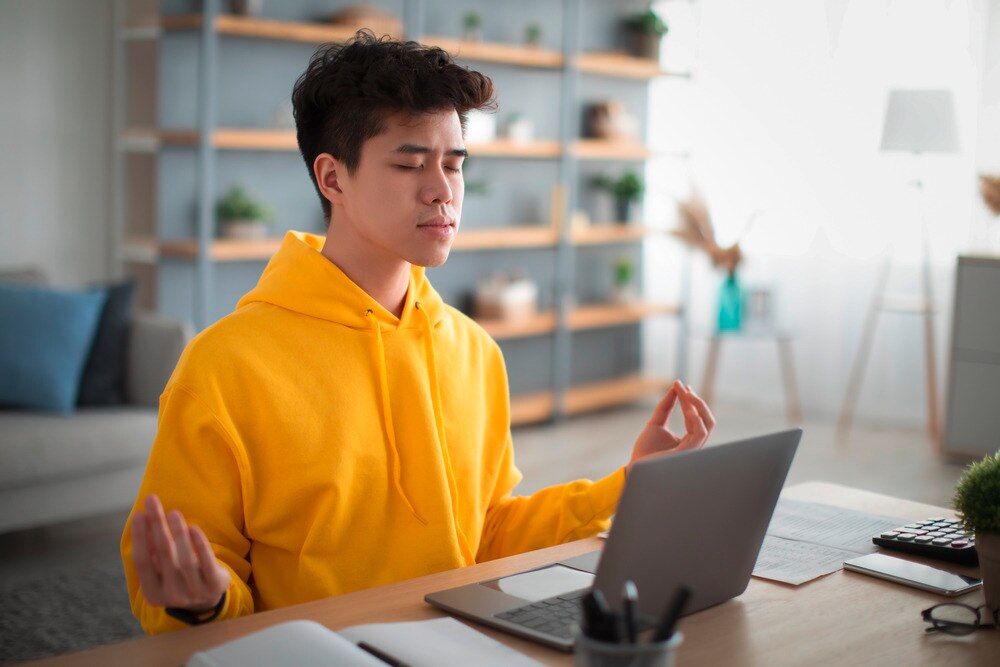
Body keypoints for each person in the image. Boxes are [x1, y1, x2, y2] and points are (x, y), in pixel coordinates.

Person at [121, 32, 715, 634]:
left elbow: (484, 534)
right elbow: (179, 587)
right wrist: (203, 599)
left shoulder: (473, 350)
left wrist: (626, 487)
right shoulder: (223, 366)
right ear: (333, 179)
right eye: (410, 163)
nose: (442, 189)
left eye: (454, 164)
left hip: (465, 644)